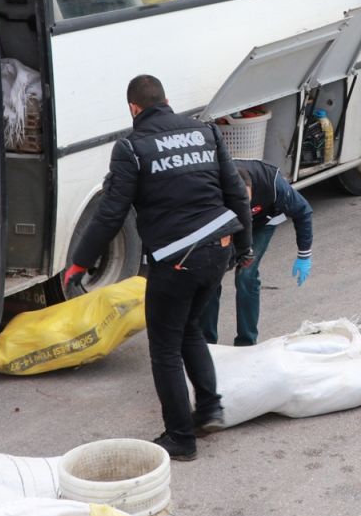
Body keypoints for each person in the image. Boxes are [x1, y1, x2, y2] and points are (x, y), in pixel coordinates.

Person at [65, 74, 254, 461]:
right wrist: (244, 247)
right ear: (166, 100)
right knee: (190, 331)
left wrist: (80, 262)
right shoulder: (205, 132)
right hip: (218, 249)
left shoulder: (131, 148)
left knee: (165, 348)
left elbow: (110, 213)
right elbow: (235, 191)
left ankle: (181, 438)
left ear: (134, 108)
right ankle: (209, 408)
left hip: (179, 258)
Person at [200, 159, 314, 347]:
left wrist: (304, 256)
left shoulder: (272, 182)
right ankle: (207, 343)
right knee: (211, 276)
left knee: (246, 275)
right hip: (228, 225)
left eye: (245, 200)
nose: (242, 206)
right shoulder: (211, 187)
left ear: (252, 188)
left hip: (262, 224)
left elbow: (303, 212)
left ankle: (246, 342)